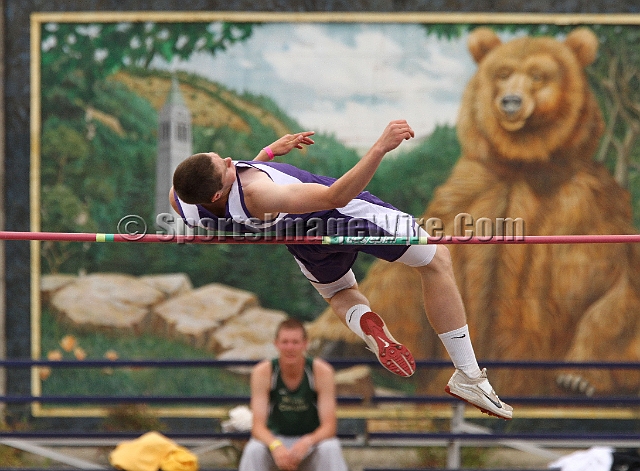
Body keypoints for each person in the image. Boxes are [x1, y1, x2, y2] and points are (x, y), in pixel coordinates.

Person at [170, 120, 513, 420]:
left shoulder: (186, 202)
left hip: (301, 240)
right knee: (436, 260)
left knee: (338, 292)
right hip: (344, 217)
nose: (231, 160)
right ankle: (468, 374)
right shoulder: (258, 194)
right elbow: (334, 197)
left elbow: (229, 196)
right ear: (216, 189)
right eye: (224, 165)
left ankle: (366, 324)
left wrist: (267, 155)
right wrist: (381, 147)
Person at [237, 318, 349, 471]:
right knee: (254, 450)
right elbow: (258, 427)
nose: (290, 347)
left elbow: (329, 427)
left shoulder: (321, 371)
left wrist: (307, 442)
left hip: (310, 441)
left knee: (330, 447)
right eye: (285, 342)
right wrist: (275, 446)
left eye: (295, 342)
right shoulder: (263, 372)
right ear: (276, 344)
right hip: (276, 440)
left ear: (305, 344)